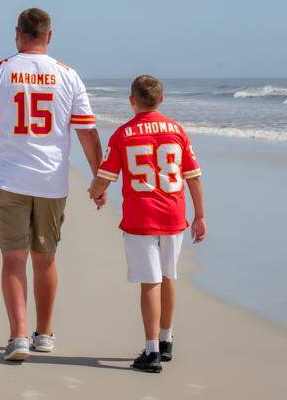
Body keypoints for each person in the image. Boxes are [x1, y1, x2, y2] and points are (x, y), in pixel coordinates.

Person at [0, 8, 104, 362]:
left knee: (13, 260)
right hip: (51, 181)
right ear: (49, 36)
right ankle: (44, 333)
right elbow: (87, 132)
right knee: (46, 259)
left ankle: (19, 337)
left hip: (9, 180)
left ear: (17, 34)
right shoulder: (68, 75)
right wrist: (99, 178)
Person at [87, 75, 206, 373]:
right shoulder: (177, 130)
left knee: (150, 281)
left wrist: (96, 193)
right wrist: (200, 215)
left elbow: (105, 177)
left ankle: (151, 350)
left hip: (141, 219)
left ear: (132, 100)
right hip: (174, 215)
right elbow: (193, 176)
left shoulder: (124, 134)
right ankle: (166, 341)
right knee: (168, 277)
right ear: (161, 100)